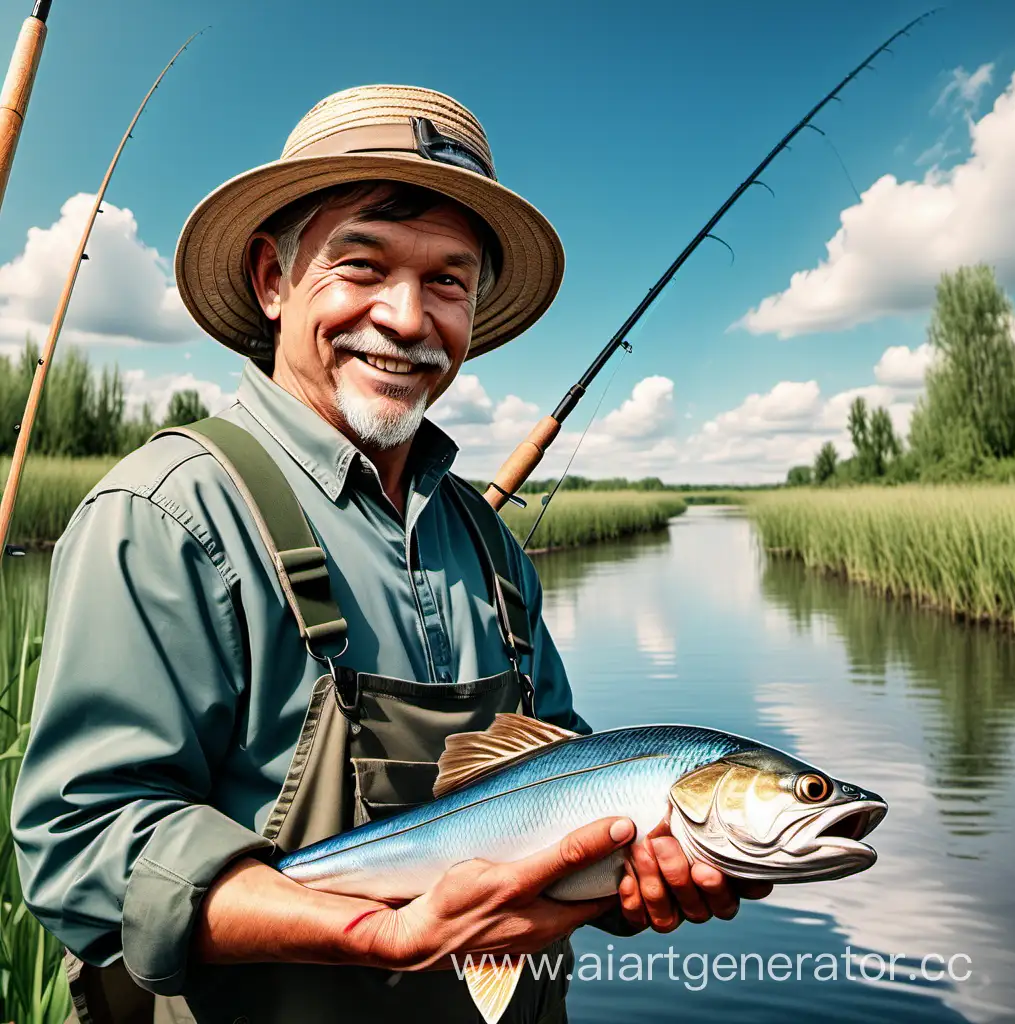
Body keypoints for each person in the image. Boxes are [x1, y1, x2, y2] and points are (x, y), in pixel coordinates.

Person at [12, 85, 771, 1024]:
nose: (409, 318)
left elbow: (567, 781)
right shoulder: (166, 513)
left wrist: (632, 880)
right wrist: (379, 933)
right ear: (272, 279)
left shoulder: (489, 545)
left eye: (448, 280)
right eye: (362, 264)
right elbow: (83, 846)